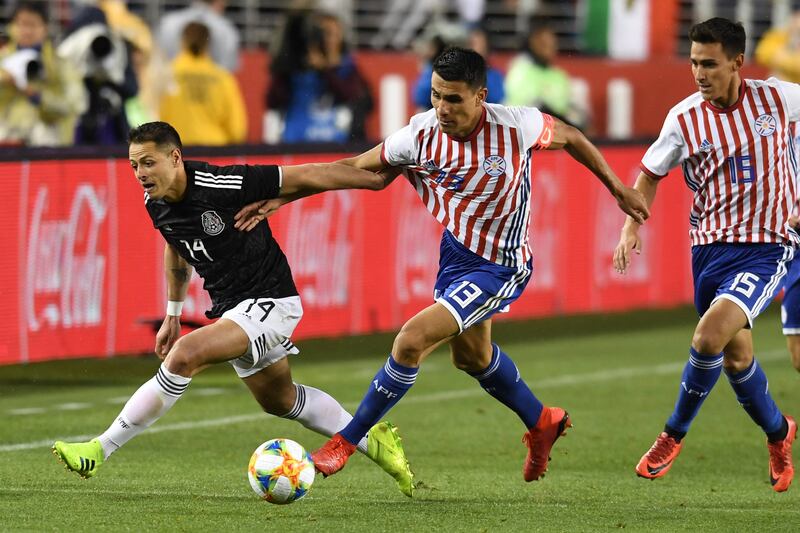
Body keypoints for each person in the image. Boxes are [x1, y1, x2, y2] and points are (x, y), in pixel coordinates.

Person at [237, 47, 649, 483]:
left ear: (480, 96)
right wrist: (285, 196)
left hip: (501, 265)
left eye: (453, 98)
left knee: (411, 340)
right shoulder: (420, 135)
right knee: (472, 357)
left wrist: (618, 189)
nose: (442, 108)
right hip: (456, 255)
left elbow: (573, 137)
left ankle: (346, 441)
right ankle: (542, 420)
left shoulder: (516, 126)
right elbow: (357, 168)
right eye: (436, 95)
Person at [51, 121, 414, 498]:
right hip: (233, 310)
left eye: (148, 162)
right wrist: (173, 313)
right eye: (134, 166)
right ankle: (376, 444)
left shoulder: (222, 184)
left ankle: (100, 448)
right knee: (281, 400)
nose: (141, 173)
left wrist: (372, 181)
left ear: (175, 158)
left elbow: (309, 174)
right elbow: (175, 245)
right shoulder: (154, 203)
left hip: (272, 301)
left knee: (185, 355)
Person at [613, 18, 798, 492]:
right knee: (736, 360)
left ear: (737, 62)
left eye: (710, 64)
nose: (699, 73)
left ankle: (671, 435)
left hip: (767, 246)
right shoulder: (683, 118)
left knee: (708, 336)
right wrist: (631, 226)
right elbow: (649, 175)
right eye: (694, 63)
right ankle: (779, 433)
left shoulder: (779, 98)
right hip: (708, 252)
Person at [0, 1, 83, 146]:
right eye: (21, 24)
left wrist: (38, 97)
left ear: (45, 28)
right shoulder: (2, 61)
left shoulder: (60, 64)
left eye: (32, 25)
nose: (26, 31)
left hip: (48, 144)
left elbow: (75, 105)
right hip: (7, 141)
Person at [159, 22, 246, 145]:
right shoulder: (223, 78)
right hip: (215, 149)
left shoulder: (166, 75)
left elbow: (153, 116)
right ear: (208, 44)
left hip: (175, 148)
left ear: (182, 42)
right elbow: (237, 130)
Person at [504, 19, 585, 129]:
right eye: (544, 44)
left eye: (552, 44)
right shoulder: (520, 69)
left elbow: (566, 107)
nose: (549, 49)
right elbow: (526, 107)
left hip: (557, 127)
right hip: (526, 128)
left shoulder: (559, 75)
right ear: (533, 43)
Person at [156, 0, 240, 72]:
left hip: (172, 82)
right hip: (210, 83)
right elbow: (228, 71)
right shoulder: (227, 31)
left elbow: (158, 64)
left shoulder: (167, 24)